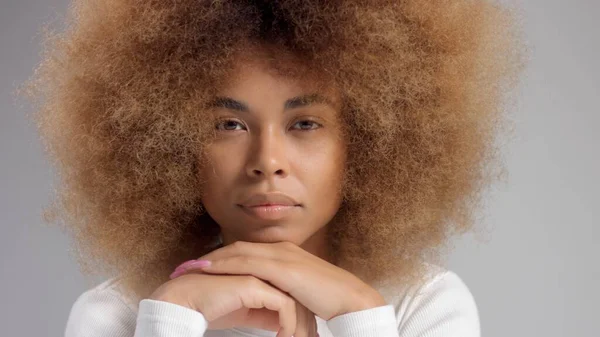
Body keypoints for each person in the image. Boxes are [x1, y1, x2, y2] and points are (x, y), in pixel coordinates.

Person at [19, 0, 525, 336]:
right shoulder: (118, 314)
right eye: (229, 125)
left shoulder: (422, 304)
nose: (268, 163)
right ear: (168, 144)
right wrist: (169, 319)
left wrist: (359, 315)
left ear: (368, 142)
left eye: (305, 123)